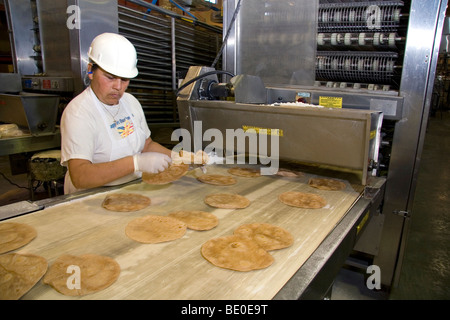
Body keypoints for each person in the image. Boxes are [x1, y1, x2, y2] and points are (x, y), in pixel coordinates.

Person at [60, 32, 173, 194]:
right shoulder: (79, 113)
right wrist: (135, 163)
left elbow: (146, 145)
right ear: (91, 71)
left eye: (125, 80)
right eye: (110, 77)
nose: (118, 87)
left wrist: (180, 158)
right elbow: (80, 176)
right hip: (90, 198)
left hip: (130, 191)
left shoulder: (130, 102)